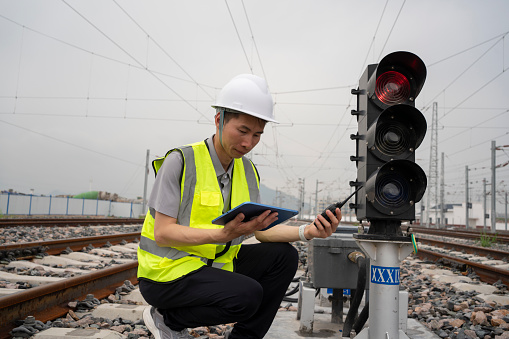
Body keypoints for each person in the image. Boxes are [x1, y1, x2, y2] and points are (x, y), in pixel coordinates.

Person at [138, 74, 342, 339]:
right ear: (219, 119)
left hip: (211, 266)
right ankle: (167, 318)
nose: (248, 143)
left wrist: (309, 232)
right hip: (166, 274)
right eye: (242, 131)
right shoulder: (181, 161)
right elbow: (163, 233)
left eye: (257, 134)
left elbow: (260, 231)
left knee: (284, 257)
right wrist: (223, 235)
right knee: (247, 296)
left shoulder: (247, 171)